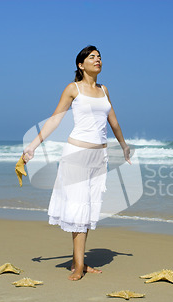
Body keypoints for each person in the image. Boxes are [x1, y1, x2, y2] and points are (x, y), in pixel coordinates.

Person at [22, 45, 131, 281]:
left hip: (99, 157)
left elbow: (113, 121)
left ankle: (77, 260)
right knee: (79, 208)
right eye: (92, 57)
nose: (98, 60)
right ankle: (80, 265)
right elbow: (55, 120)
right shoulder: (73, 89)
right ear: (81, 65)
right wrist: (32, 146)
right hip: (77, 155)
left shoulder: (104, 90)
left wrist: (123, 144)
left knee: (89, 208)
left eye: (100, 57)